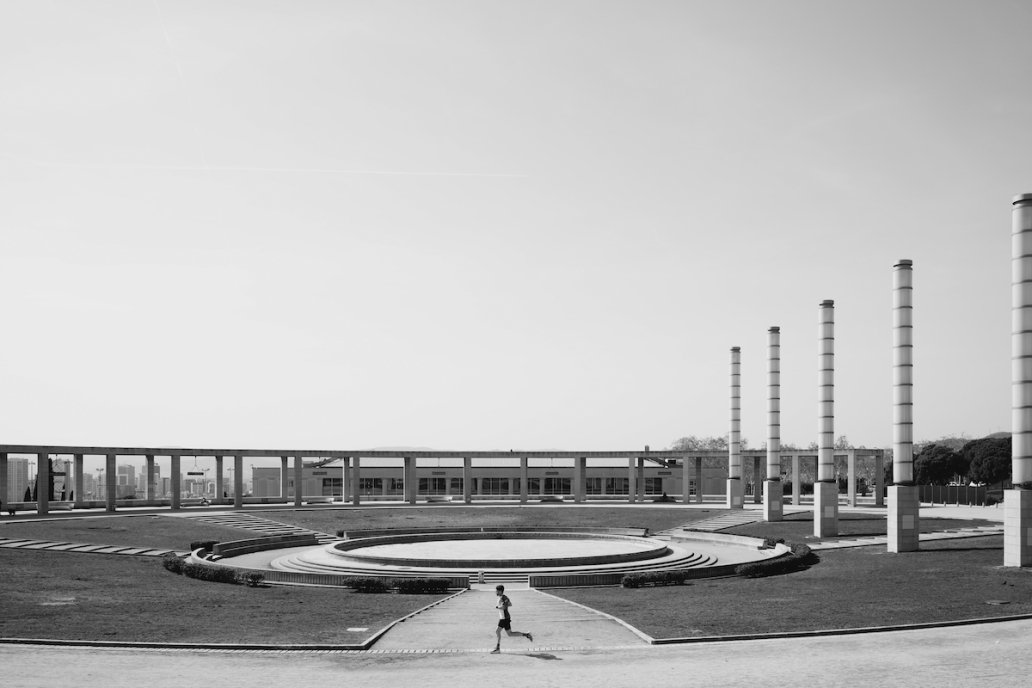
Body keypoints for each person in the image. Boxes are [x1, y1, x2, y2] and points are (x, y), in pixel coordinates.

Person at [492, 584, 532, 653]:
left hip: (504, 618)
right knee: (510, 634)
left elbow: (507, 605)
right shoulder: (502, 597)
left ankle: (498, 648)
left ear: (500, 591)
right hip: (504, 617)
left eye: (497, 591)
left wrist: (499, 607)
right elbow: (509, 604)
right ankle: (526, 634)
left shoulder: (503, 598)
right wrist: (504, 604)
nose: (496, 592)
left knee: (498, 631)